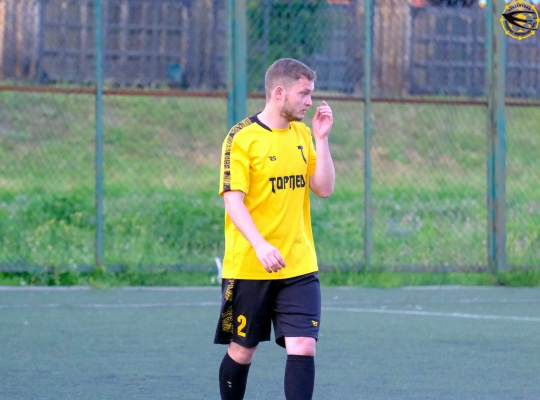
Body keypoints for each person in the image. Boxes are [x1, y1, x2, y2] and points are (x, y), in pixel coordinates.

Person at [214, 57, 335, 400]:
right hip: (251, 266)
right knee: (243, 350)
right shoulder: (241, 138)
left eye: (311, 93)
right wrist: (260, 245)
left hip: (299, 264)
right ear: (279, 93)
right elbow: (233, 202)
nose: (310, 101)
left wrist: (322, 140)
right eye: (304, 93)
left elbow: (324, 188)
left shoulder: (302, 134)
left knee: (303, 346)